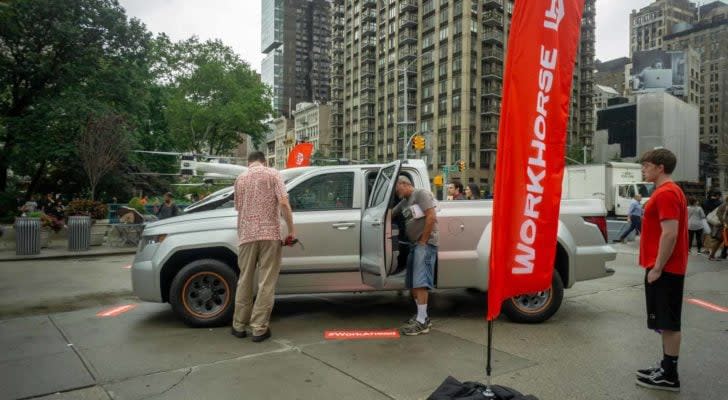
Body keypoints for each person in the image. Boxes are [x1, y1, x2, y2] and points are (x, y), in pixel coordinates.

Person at [635, 148, 688, 392]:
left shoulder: (667, 193)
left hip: (666, 269)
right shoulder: (668, 191)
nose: (643, 169)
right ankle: (666, 367)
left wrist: (657, 267)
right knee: (665, 322)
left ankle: (670, 375)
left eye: (646, 165)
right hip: (665, 268)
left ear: (660, 167)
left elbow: (670, 233)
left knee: (669, 322)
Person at [231, 151, 295, 343]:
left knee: (244, 281)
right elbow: (283, 202)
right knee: (266, 282)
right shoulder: (273, 174)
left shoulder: (240, 179)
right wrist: (291, 230)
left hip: (246, 236)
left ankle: (238, 326)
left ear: (248, 162)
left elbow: (239, 208)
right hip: (269, 235)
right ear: (264, 161)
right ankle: (259, 328)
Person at [392, 175, 439, 336]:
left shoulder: (420, 194)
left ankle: (421, 322)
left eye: (397, 189)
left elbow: (431, 216)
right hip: (415, 245)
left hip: (424, 244)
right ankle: (422, 317)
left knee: (420, 282)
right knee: (413, 283)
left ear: (404, 184)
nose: (396, 192)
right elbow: (391, 212)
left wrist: (423, 241)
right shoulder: (405, 201)